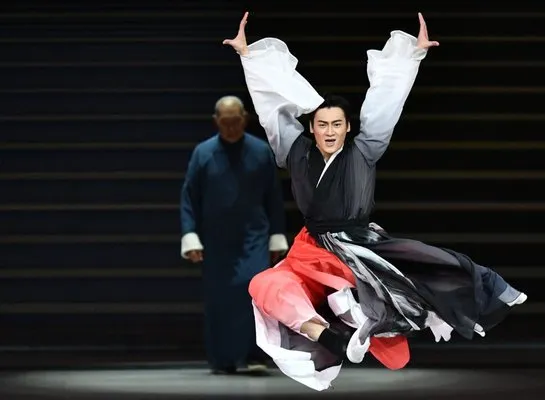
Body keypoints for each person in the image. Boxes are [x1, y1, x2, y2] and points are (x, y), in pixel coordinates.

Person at [223, 12, 527, 390]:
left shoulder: (364, 150)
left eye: (337, 124)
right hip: (311, 248)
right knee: (264, 285)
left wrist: (410, 56)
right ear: (312, 128)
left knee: (399, 348)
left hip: (358, 248)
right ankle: (330, 337)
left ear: (347, 127)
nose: (330, 131)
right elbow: (271, 110)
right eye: (322, 125)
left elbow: (386, 101)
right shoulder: (296, 150)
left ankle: (364, 316)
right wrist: (249, 57)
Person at [180, 95, 289, 375]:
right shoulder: (203, 153)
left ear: (245, 118)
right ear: (217, 121)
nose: (230, 127)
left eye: (235, 121)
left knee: (255, 292)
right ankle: (222, 359)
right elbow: (189, 197)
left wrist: (277, 234)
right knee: (219, 299)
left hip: (254, 235)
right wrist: (190, 235)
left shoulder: (261, 151)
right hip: (216, 238)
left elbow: (273, 197)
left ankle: (255, 355)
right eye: (225, 122)